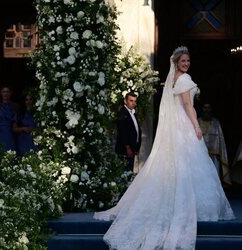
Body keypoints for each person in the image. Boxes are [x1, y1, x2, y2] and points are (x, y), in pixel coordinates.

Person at [94, 46, 235, 250]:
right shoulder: (184, 80)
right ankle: (192, 207)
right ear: (176, 62)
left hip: (175, 126)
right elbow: (188, 106)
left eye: (188, 60)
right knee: (190, 163)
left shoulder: (173, 80)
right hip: (184, 126)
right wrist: (196, 126)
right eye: (183, 61)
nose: (186, 63)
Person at [198, 103, 232, 186]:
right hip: (199, 154)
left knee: (214, 176)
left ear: (211, 109)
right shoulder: (197, 122)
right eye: (205, 107)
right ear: (202, 109)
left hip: (214, 154)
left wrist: (220, 153)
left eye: (208, 108)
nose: (207, 109)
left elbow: (221, 139)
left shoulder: (216, 123)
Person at [115, 92, 142, 171]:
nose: (133, 103)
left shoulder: (133, 113)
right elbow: (122, 132)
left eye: (134, 101)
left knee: (129, 171)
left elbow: (136, 130)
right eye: (131, 101)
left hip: (132, 148)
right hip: (125, 149)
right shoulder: (122, 114)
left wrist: (137, 147)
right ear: (125, 101)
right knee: (124, 172)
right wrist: (128, 147)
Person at [0, 86, 18, 152]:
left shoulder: (15, 106)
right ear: (1, 93)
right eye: (4, 92)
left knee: (10, 152)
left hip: (10, 133)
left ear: (11, 93)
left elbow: (16, 121)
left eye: (7, 92)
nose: (5, 94)